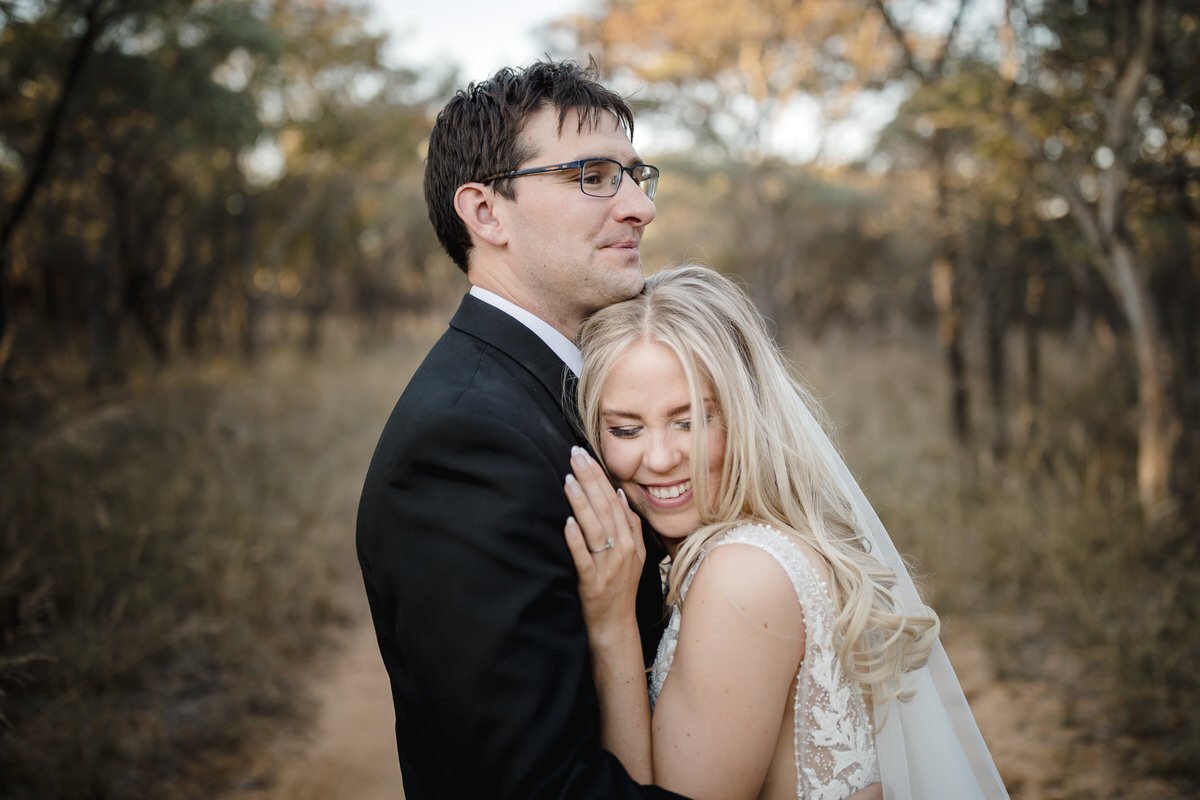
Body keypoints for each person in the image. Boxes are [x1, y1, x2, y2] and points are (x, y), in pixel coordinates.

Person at [356, 60, 686, 799]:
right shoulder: (464, 444)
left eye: (636, 176)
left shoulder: (576, 384)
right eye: (593, 175)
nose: (639, 207)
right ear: (485, 212)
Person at [560, 265, 1010, 799]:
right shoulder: (773, 544)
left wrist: (611, 628)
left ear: (743, 415)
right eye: (626, 429)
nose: (659, 459)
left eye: (692, 421)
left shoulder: (742, 577)